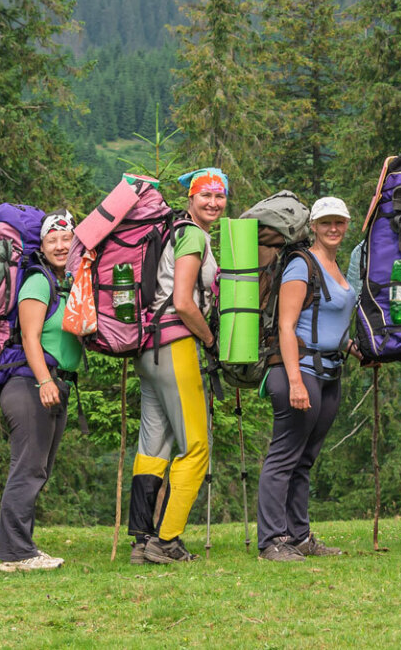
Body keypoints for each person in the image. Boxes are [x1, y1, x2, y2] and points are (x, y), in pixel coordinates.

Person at [128, 168, 225, 565]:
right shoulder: (192, 236)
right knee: (197, 447)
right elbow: (184, 302)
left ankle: (140, 541)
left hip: (150, 350)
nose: (213, 203)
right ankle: (166, 540)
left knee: (153, 446)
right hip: (176, 346)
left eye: (219, 196)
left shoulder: (174, 232)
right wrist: (209, 339)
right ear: (190, 198)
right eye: (205, 195)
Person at [257, 197, 356, 562]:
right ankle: (271, 541)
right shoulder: (302, 265)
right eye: (326, 222)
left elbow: (327, 319)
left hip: (329, 371)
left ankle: (298, 537)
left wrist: (349, 345)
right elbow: (287, 325)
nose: (334, 228)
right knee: (283, 456)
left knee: (304, 459)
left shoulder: (333, 265)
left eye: (340, 222)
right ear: (312, 226)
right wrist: (296, 381)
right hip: (298, 371)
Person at [0, 212, 81, 572]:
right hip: (30, 385)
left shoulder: (66, 282)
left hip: (51, 384)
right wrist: (45, 380)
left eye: (67, 239)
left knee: (37, 469)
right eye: (53, 240)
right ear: (41, 247)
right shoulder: (38, 281)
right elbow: (30, 337)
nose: (61, 246)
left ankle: (20, 548)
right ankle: (16, 554)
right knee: (28, 468)